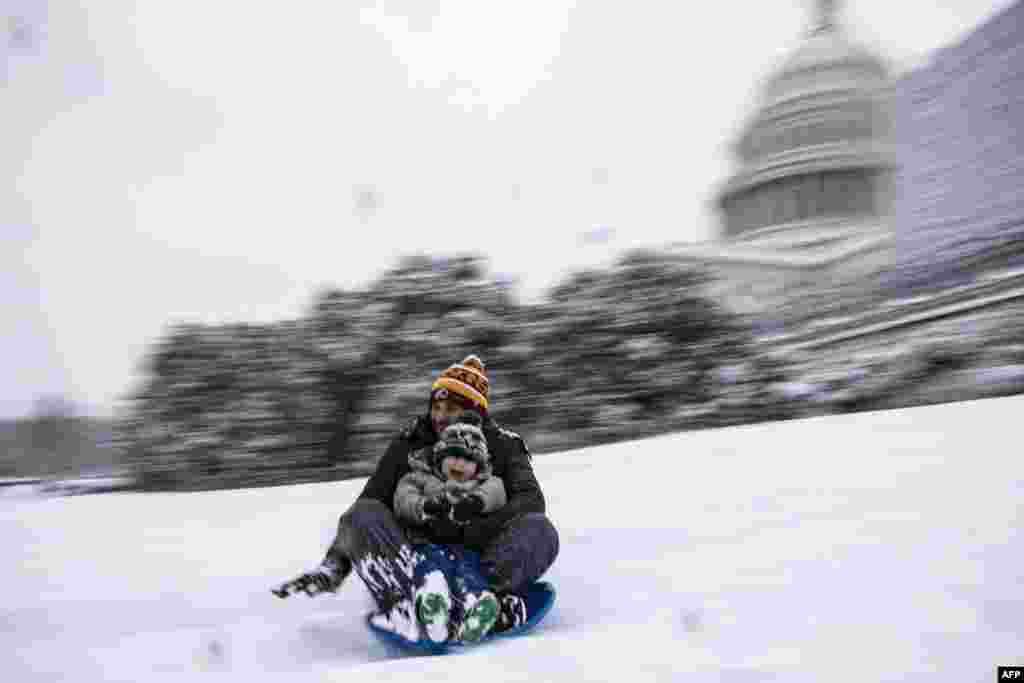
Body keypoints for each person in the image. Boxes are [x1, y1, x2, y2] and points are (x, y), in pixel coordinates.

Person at [273, 354, 559, 641]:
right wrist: (333, 566)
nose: (440, 416)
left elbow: (530, 501)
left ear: (475, 412)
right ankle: (413, 603)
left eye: (451, 408)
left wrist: (472, 525)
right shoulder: (410, 442)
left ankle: (482, 601)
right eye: (436, 406)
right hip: (416, 551)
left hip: (480, 551)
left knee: (540, 530)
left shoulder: (504, 446)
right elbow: (370, 503)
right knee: (364, 514)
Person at [391, 410, 507, 643]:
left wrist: (476, 502)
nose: (459, 464)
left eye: (468, 460)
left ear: (478, 467)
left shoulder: (482, 483)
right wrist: (426, 507)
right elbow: (404, 499)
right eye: (453, 455)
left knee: (469, 572)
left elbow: (496, 491)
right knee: (431, 568)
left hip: (466, 547)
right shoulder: (420, 478)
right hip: (425, 543)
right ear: (439, 457)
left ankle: (476, 607)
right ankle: (433, 604)